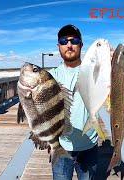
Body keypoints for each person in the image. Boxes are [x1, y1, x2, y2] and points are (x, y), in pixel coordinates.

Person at [48, 24, 98, 180]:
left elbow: (117, 84)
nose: (69, 45)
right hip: (62, 146)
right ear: (58, 47)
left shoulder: (94, 71)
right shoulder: (51, 76)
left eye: (74, 40)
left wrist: (111, 61)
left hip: (90, 145)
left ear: (81, 45)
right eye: (63, 41)